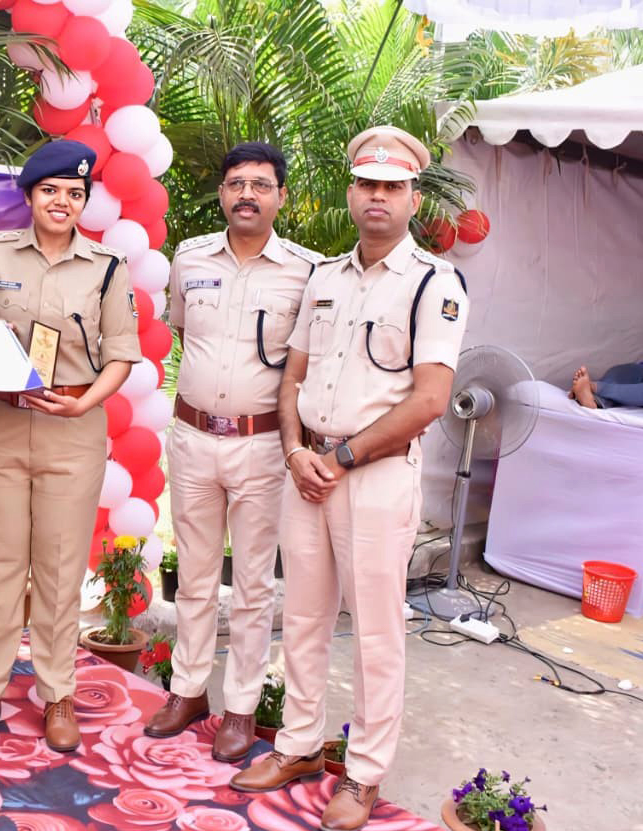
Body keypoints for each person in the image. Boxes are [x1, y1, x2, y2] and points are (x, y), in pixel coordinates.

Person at [229, 126, 469, 831]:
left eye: (393, 186)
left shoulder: (434, 284)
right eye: (367, 184)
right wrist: (295, 450)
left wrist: (339, 460)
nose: (378, 197)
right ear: (351, 192)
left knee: (374, 631)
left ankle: (362, 772)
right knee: (302, 616)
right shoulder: (326, 277)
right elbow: (293, 376)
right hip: (308, 470)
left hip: (374, 477)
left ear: (414, 198)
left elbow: (430, 399)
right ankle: (300, 745)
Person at [0, 140, 141, 752]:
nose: (63, 201)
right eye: (51, 190)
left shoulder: (106, 267)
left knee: (60, 571)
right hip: (1, 425)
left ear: (86, 202)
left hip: (73, 430)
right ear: (31, 196)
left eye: (75, 193)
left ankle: (57, 693)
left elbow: (122, 354)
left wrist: (87, 403)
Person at [143, 142, 319, 762]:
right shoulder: (189, 258)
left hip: (263, 445)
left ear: (281, 197)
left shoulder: (307, 272)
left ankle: (241, 707)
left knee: (251, 583)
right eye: (237, 183)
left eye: (261, 185)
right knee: (192, 577)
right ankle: (187, 691)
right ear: (222, 193)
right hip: (193, 438)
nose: (247, 194)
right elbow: (184, 333)